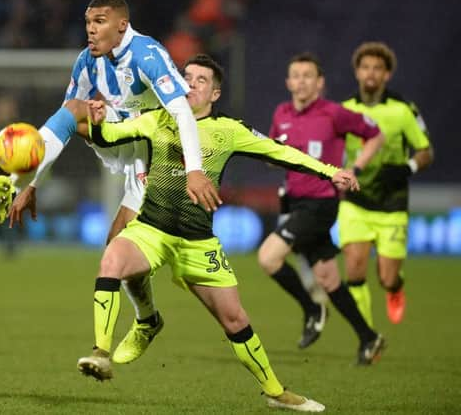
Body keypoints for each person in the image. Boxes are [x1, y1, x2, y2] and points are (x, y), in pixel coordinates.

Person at [76, 53, 360, 412]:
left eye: (200, 80)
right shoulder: (157, 119)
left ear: (215, 94)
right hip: (153, 230)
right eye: (186, 77)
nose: (190, 84)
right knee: (112, 257)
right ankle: (101, 351)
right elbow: (112, 134)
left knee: (235, 319)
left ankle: (276, 392)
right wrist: (98, 122)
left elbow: (282, 152)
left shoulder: (229, 130)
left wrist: (330, 171)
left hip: (198, 242)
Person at [0, 0, 219, 360]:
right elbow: (68, 116)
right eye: (87, 22)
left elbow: (183, 115)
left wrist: (194, 171)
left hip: (162, 164)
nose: (90, 31)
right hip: (129, 154)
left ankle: (140, 326)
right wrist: (30, 184)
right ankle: (146, 321)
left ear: (121, 25)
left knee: (151, 266)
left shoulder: (148, 55)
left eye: (99, 22)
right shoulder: (86, 62)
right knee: (76, 110)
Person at [257, 52, 386, 364]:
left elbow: (375, 134)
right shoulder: (281, 113)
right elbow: (273, 154)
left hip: (321, 203)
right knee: (328, 279)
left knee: (268, 257)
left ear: (319, 82)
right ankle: (370, 338)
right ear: (288, 82)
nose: (301, 81)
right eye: (295, 75)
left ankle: (312, 308)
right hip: (295, 202)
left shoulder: (334, 113)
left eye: (307, 75)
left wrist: (354, 167)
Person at [340, 42, 433, 326]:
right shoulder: (344, 110)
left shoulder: (403, 110)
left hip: (392, 202)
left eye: (378, 68)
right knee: (354, 271)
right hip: (355, 201)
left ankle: (395, 289)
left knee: (387, 277)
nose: (371, 73)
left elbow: (426, 152)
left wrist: (407, 167)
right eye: (365, 67)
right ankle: (366, 337)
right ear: (357, 72)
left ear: (387, 75)